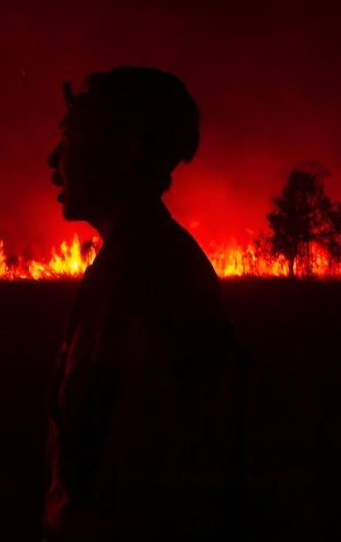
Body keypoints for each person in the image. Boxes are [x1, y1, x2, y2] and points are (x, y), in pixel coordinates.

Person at [44, 66, 246, 541]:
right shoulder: (147, 259)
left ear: (125, 153)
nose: (54, 160)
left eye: (73, 139)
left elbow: (93, 458)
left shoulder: (135, 276)